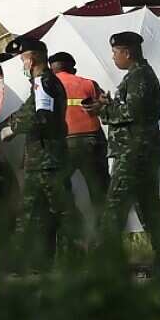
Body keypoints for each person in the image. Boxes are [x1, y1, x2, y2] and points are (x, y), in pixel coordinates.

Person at [98, 31, 160, 266]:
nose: (113, 57)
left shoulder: (139, 77)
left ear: (127, 53)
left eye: (115, 52)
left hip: (134, 152)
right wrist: (109, 104)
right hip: (139, 151)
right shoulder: (136, 76)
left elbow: (133, 112)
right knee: (148, 205)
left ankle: (107, 262)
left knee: (115, 205)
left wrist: (104, 111)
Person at [0, 37, 71, 267]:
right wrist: (7, 123)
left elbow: (42, 117)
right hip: (41, 159)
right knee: (36, 213)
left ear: (34, 57)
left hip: (48, 159)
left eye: (23, 58)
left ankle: (69, 259)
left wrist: (13, 129)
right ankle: (38, 260)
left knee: (58, 211)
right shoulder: (40, 84)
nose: (23, 64)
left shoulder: (44, 82)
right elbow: (28, 110)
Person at [49, 51, 110, 218]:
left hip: (63, 144)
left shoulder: (47, 86)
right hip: (92, 141)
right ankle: (105, 236)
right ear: (73, 69)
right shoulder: (89, 83)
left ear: (51, 69)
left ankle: (73, 227)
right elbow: (106, 107)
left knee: (58, 188)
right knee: (100, 192)